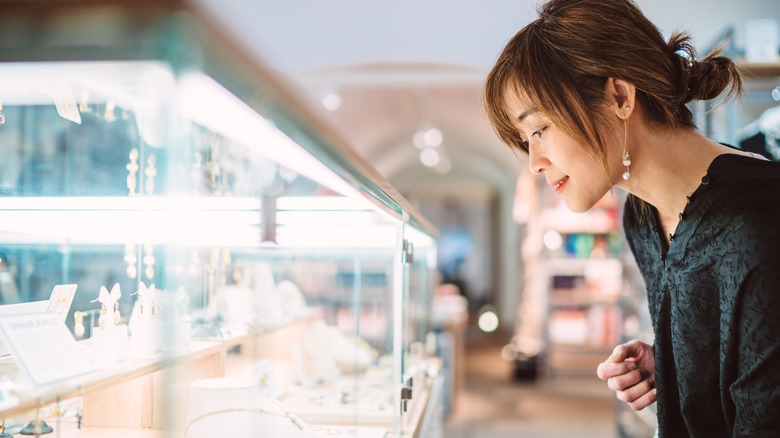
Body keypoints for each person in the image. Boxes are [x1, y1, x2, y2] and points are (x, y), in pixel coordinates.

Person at [483, 0, 780, 436]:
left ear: (620, 97)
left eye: (540, 129)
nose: (534, 162)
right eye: (526, 139)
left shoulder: (757, 219)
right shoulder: (641, 219)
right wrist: (677, 365)